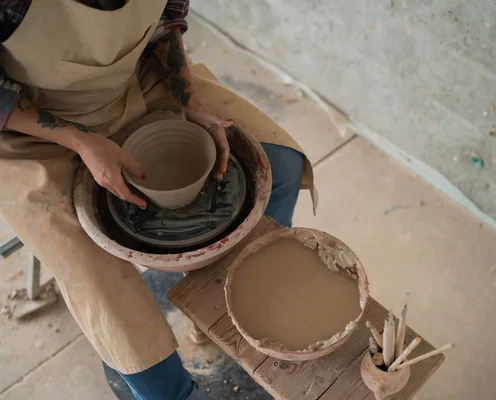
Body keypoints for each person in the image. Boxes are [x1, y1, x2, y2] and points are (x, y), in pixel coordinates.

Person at [0, 1, 316, 399]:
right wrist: (80, 140)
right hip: (35, 128)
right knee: (103, 289)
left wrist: (189, 100)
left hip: (133, 83)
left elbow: (166, 20)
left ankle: (243, 295)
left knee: (280, 165)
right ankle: (170, 393)